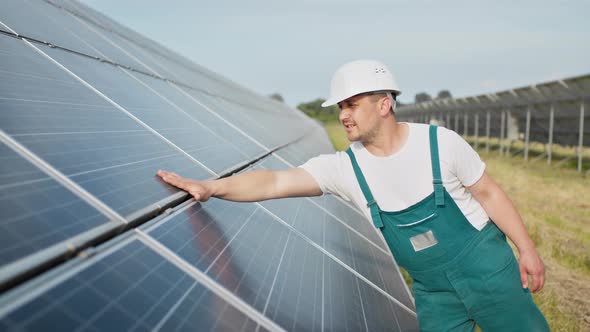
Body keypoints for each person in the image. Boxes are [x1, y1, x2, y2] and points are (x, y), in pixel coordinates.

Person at [157, 59, 550, 331]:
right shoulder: (345, 168)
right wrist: (212, 187)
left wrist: (527, 250)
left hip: (488, 272)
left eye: (352, 104)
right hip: (432, 290)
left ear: (384, 104)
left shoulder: (439, 143)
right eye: (341, 106)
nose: (344, 114)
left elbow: (488, 193)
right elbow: (273, 183)